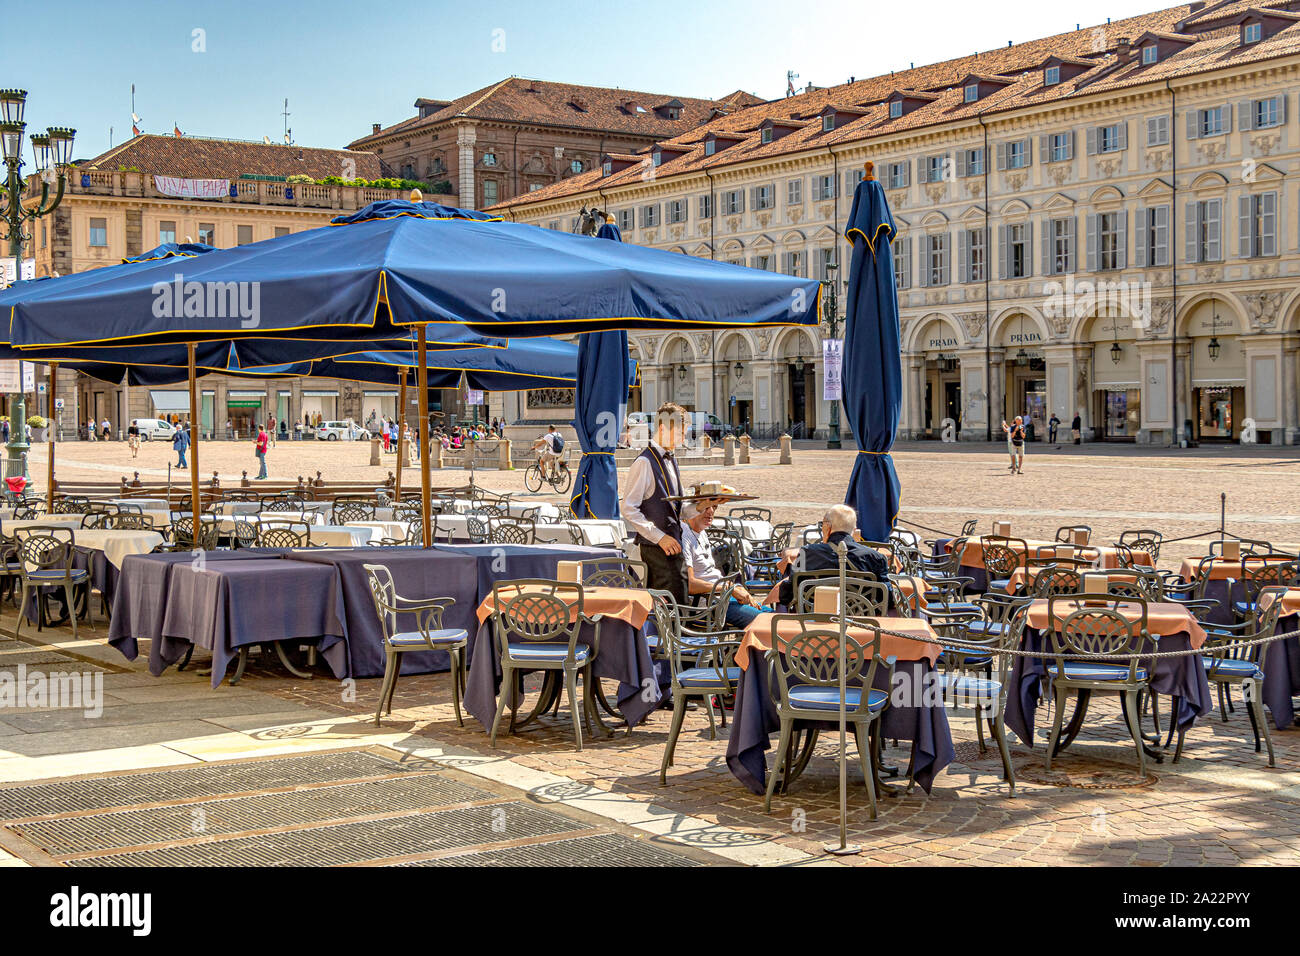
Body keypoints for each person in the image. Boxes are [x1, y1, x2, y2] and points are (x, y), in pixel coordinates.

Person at [621, 402, 688, 604]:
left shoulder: (671, 459)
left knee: (680, 606)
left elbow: (676, 507)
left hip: (674, 547)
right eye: (680, 433)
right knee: (669, 613)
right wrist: (659, 538)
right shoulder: (644, 462)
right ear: (662, 428)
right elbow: (629, 508)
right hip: (656, 550)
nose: (683, 439)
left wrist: (704, 505)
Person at [769, 504, 891, 609]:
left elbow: (788, 595)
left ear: (827, 526)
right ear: (854, 530)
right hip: (862, 621)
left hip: (812, 620)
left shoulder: (806, 553)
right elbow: (888, 599)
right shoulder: (876, 558)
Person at [681, 499, 764, 628]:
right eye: (706, 507)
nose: (711, 511)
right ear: (692, 508)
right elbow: (689, 584)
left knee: (771, 615)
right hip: (707, 607)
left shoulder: (701, 532)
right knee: (766, 621)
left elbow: (709, 574)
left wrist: (734, 588)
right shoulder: (684, 536)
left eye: (714, 507)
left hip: (721, 598)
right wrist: (729, 589)